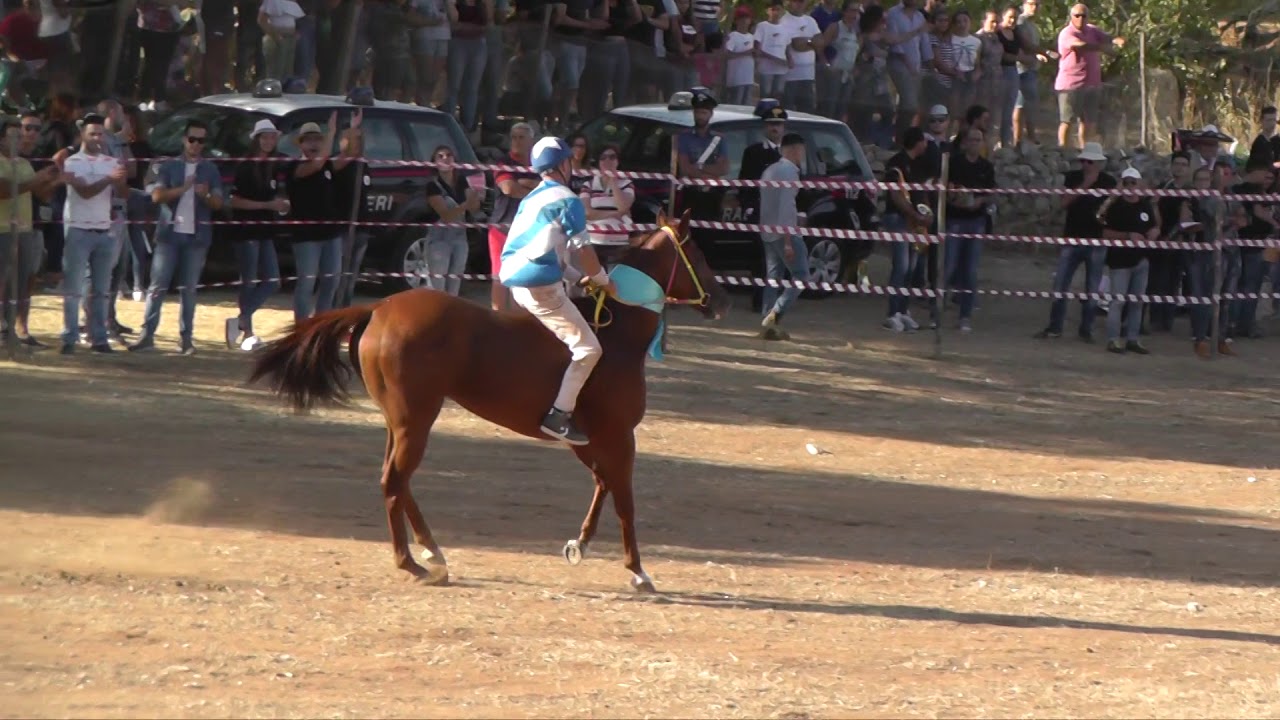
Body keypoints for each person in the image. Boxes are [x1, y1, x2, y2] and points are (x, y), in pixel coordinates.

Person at [498, 136, 617, 446]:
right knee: (589, 349)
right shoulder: (568, 200)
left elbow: (552, 254)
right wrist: (603, 280)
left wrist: (580, 280)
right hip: (540, 286)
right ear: (564, 164)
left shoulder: (532, 198)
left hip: (514, 281)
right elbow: (585, 252)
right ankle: (558, 416)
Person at [130, 120, 225, 355]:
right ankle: (147, 335)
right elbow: (156, 196)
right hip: (169, 236)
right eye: (192, 139)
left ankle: (186, 339)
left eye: (201, 141)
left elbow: (219, 203)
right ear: (184, 140)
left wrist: (205, 196)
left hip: (197, 237)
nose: (196, 144)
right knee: (157, 287)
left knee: (189, 289)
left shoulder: (210, 169)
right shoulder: (169, 166)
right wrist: (182, 189)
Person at [59, 113, 127, 355]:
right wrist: (109, 178)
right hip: (78, 229)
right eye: (93, 133)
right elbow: (85, 192)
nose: (98, 138)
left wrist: (120, 179)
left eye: (101, 134)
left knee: (101, 290)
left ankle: (99, 338)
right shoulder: (73, 162)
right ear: (82, 135)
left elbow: (122, 194)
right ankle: (69, 337)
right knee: (73, 288)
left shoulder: (110, 161)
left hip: (104, 230)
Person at [227, 119, 290, 351]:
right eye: (264, 137)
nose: (268, 141)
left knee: (272, 280)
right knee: (249, 281)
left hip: (265, 229)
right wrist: (267, 205)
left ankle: (243, 319)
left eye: (272, 137)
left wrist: (278, 206)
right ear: (256, 139)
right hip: (246, 229)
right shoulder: (245, 165)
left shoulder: (273, 165)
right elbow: (234, 201)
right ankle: (247, 330)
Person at [1099, 167, 1159, 354]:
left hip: (1141, 260)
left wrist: (1154, 232)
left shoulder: (1145, 205)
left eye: (1134, 183)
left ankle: (1133, 339)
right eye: (1127, 183)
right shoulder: (1115, 207)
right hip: (1120, 261)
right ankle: (1113, 339)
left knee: (1137, 302)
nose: (1130, 187)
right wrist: (1127, 235)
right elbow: (1105, 233)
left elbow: (1154, 225)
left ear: (1139, 184)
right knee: (1117, 302)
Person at [758, 132, 809, 341]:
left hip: (767, 231)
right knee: (801, 276)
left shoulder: (770, 170)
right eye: (802, 151)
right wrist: (788, 241)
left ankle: (767, 322)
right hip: (784, 232)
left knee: (773, 278)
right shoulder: (790, 172)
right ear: (796, 150)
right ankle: (774, 314)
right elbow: (786, 209)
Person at [423, 144, 482, 296]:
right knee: (438, 289)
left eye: (449, 155)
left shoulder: (461, 182)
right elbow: (446, 215)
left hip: (460, 239)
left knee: (454, 288)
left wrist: (476, 198)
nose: (445, 159)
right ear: (434, 162)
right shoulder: (432, 186)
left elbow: (473, 208)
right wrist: (466, 205)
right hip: (439, 241)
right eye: (440, 156)